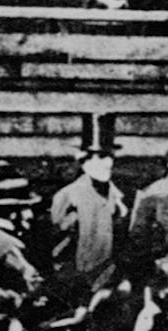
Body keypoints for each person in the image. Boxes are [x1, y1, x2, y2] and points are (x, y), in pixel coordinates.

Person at [48, 118, 129, 288]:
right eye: (100, 157)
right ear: (84, 162)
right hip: (79, 282)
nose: (107, 163)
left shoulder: (119, 197)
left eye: (109, 156)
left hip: (112, 280)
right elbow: (58, 247)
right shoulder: (68, 196)